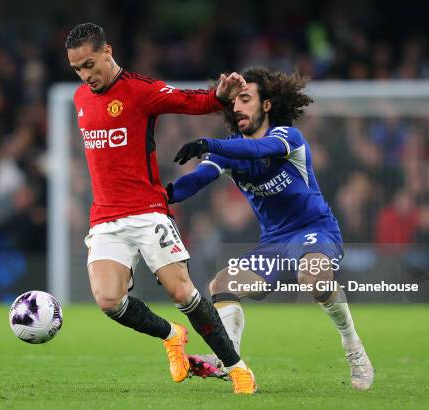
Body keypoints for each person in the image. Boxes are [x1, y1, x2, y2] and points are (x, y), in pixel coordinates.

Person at [66, 23, 257, 394]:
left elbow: (192, 101)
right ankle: (172, 336)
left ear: (107, 52)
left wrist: (219, 95)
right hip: (105, 216)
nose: (85, 75)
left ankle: (237, 368)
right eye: (77, 69)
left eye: (90, 64)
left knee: (182, 292)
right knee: (108, 300)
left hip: (148, 210)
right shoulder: (79, 99)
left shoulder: (140, 91)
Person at [169, 67, 374, 391]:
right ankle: (228, 357)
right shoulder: (229, 151)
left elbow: (259, 150)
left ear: (266, 105)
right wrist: (160, 195)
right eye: (233, 101)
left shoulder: (286, 137)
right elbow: (196, 180)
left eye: (245, 98)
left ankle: (353, 346)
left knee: (315, 278)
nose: (236, 107)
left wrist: (209, 143)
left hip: (315, 230)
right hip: (275, 244)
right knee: (222, 284)